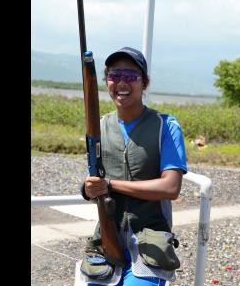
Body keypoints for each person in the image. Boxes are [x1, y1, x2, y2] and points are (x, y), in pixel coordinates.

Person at [78, 47, 188, 286]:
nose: (121, 83)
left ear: (144, 83)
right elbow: (92, 179)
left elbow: (171, 187)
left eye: (130, 76)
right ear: (106, 80)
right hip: (105, 242)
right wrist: (88, 188)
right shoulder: (98, 127)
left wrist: (110, 185)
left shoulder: (166, 126)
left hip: (150, 243)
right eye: (114, 76)